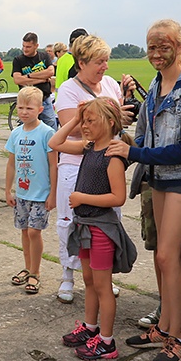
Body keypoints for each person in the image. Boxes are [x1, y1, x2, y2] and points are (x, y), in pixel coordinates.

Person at [108, 19, 181, 361]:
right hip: (160, 177)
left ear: (180, 46)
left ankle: (177, 339)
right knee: (161, 258)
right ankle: (164, 327)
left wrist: (134, 154)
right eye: (151, 46)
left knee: (169, 257)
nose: (155, 53)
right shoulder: (157, 83)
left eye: (162, 46)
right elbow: (149, 133)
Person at [51, 98, 136, 360]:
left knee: (102, 286)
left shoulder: (112, 156)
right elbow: (54, 144)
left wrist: (82, 198)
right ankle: (90, 328)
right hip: (85, 227)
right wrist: (76, 119)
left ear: (110, 122)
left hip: (100, 229)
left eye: (91, 121)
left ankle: (107, 342)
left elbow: (117, 198)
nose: (85, 126)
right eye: (84, 121)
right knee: (88, 281)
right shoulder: (89, 148)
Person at [52, 35, 124, 304]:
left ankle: (104, 276)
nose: (105, 66)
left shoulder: (110, 84)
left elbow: (118, 121)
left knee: (107, 221)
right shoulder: (68, 90)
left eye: (106, 60)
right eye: (99, 61)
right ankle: (68, 276)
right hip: (75, 165)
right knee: (70, 222)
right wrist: (97, 140)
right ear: (81, 62)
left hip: (107, 164)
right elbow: (72, 131)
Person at [5, 87, 57, 294]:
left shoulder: (47, 133)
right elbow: (11, 164)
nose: (24, 112)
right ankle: (27, 268)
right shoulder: (16, 134)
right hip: (22, 193)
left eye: (29, 108)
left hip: (41, 194)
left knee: (35, 232)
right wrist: (8, 190)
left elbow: (54, 164)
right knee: (25, 232)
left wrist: (53, 193)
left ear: (40, 109)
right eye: (20, 107)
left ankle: (36, 272)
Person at [12, 32, 57, 130]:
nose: (25, 49)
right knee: (27, 128)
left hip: (44, 100)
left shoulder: (44, 56)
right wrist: (41, 79)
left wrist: (28, 76)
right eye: (23, 46)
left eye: (28, 47)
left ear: (36, 46)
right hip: (27, 102)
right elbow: (17, 80)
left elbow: (50, 72)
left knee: (51, 125)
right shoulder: (18, 60)